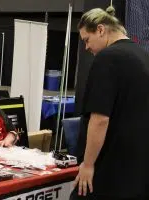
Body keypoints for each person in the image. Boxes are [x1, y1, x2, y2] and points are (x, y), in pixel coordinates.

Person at [71, 6, 149, 200]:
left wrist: (88, 164)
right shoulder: (143, 56)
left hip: (109, 167)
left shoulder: (107, 59)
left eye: (87, 40)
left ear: (100, 30)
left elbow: (99, 119)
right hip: (136, 169)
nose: (87, 47)